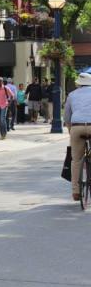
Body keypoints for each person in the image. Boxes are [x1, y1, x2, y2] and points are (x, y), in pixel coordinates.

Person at [63, 73, 91, 201]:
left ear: (79, 83)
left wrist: (70, 130)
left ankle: (76, 191)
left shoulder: (72, 95)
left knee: (76, 160)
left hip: (77, 127)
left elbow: (67, 117)